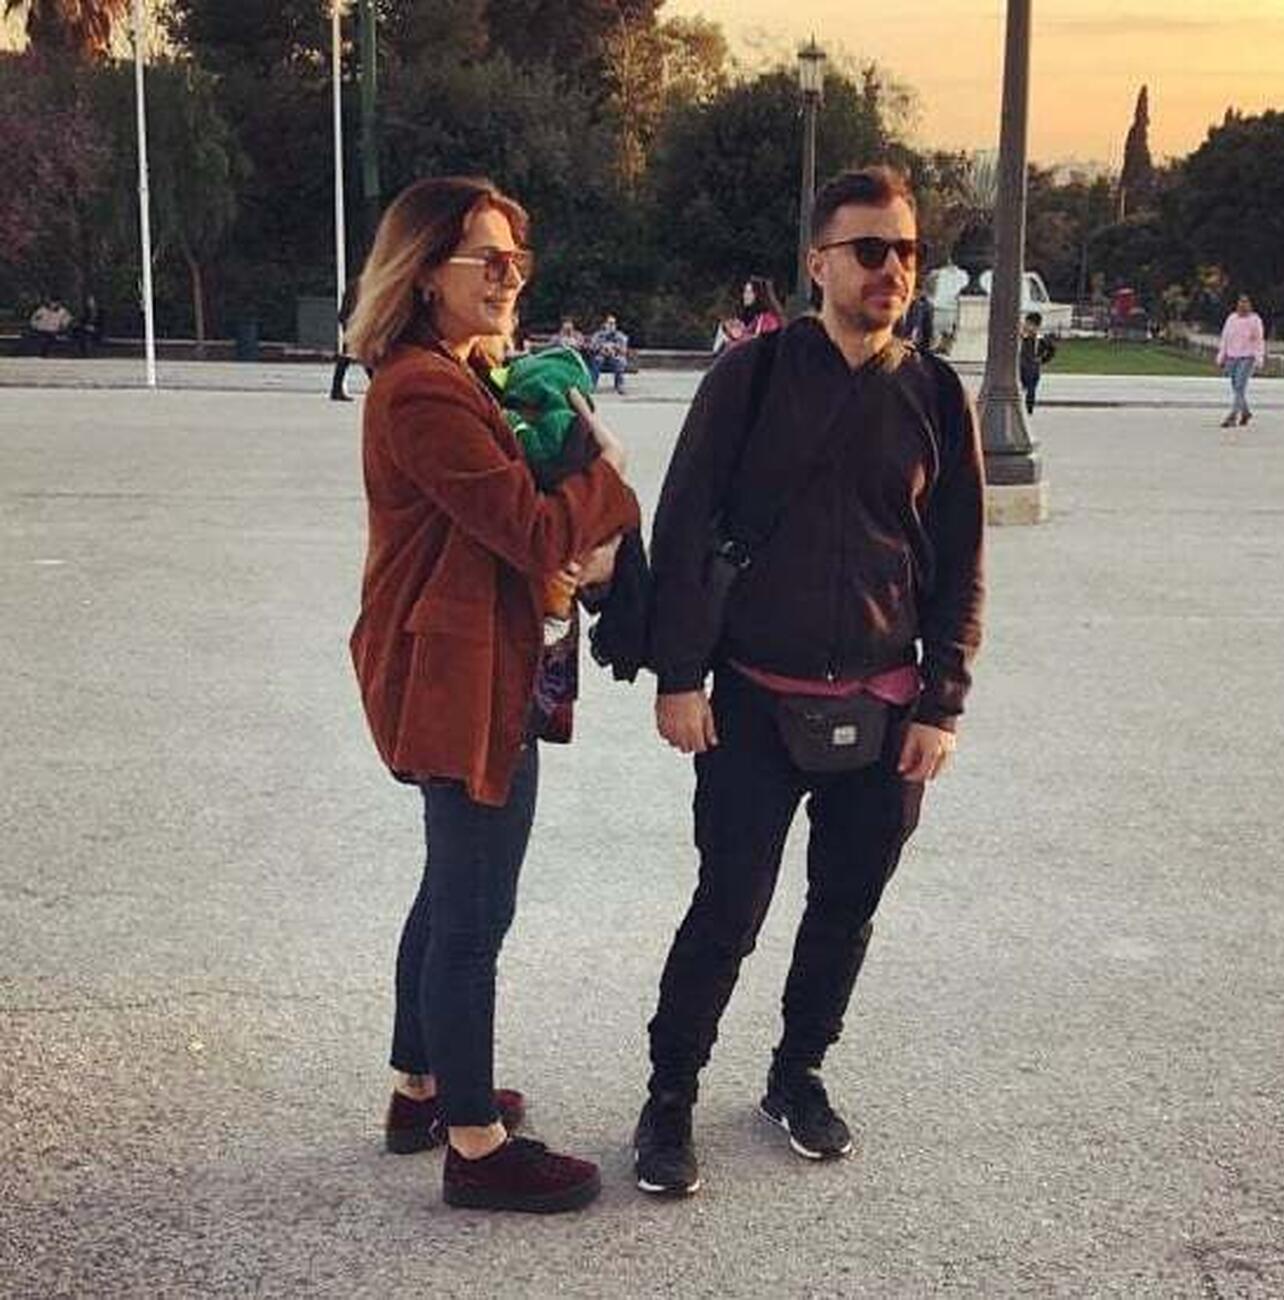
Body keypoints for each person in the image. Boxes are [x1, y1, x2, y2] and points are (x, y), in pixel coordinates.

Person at [635, 166, 985, 1197]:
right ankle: (669, 1094)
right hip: (752, 700)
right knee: (727, 909)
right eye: (869, 249)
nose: (892, 269)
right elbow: (684, 524)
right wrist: (679, 677)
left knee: (844, 908)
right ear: (817, 264)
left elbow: (960, 559)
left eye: (907, 251)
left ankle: (797, 1074)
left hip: (885, 706)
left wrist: (942, 702)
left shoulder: (934, 393)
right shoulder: (748, 379)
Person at [345, 176, 640, 1214]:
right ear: (427, 272)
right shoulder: (420, 392)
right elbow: (530, 527)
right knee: (476, 909)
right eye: (489, 258)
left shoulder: (463, 373)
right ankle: (475, 1145)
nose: (512, 276)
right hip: (457, 675)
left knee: (450, 886)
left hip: (482, 658)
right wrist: (609, 475)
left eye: (519, 258)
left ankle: (421, 1089)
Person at [1216, 294, 1266, 428]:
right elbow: (1225, 338)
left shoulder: (1255, 320)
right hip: (1232, 356)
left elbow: (1259, 340)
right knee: (1236, 386)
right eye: (1240, 303)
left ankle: (1232, 416)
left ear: (1250, 305)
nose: (1243, 306)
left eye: (1245, 303)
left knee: (1239, 386)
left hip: (1247, 357)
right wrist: (1221, 356)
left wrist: (1259, 358)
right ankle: (1245, 412)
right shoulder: (1231, 319)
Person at [714, 277, 785, 354]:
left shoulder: (768, 320)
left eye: (750, 292)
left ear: (758, 295)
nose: (746, 296)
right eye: (745, 292)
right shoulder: (748, 317)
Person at [1019, 311, 1055, 414]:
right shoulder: (1023, 336)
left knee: (1031, 387)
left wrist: (1043, 359)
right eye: (1026, 323)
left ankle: (1029, 408)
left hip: (1033, 366)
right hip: (1021, 365)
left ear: (1036, 326)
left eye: (1028, 324)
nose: (1026, 326)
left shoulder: (1040, 339)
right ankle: (1025, 406)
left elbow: (1052, 349)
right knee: (1024, 386)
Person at [330, 280, 361, 401]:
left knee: (348, 357)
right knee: (351, 356)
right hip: (356, 325)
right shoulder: (359, 287)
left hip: (354, 324)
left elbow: (344, 312)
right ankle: (336, 390)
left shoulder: (355, 286)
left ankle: (336, 389)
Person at [587, 313, 629, 394]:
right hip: (601, 356)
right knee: (597, 360)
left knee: (620, 361)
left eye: (613, 323)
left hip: (614, 357)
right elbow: (592, 347)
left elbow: (624, 350)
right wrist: (602, 348)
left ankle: (619, 386)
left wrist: (613, 348)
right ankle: (592, 385)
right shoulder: (598, 335)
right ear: (605, 324)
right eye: (610, 323)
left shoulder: (620, 336)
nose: (611, 326)